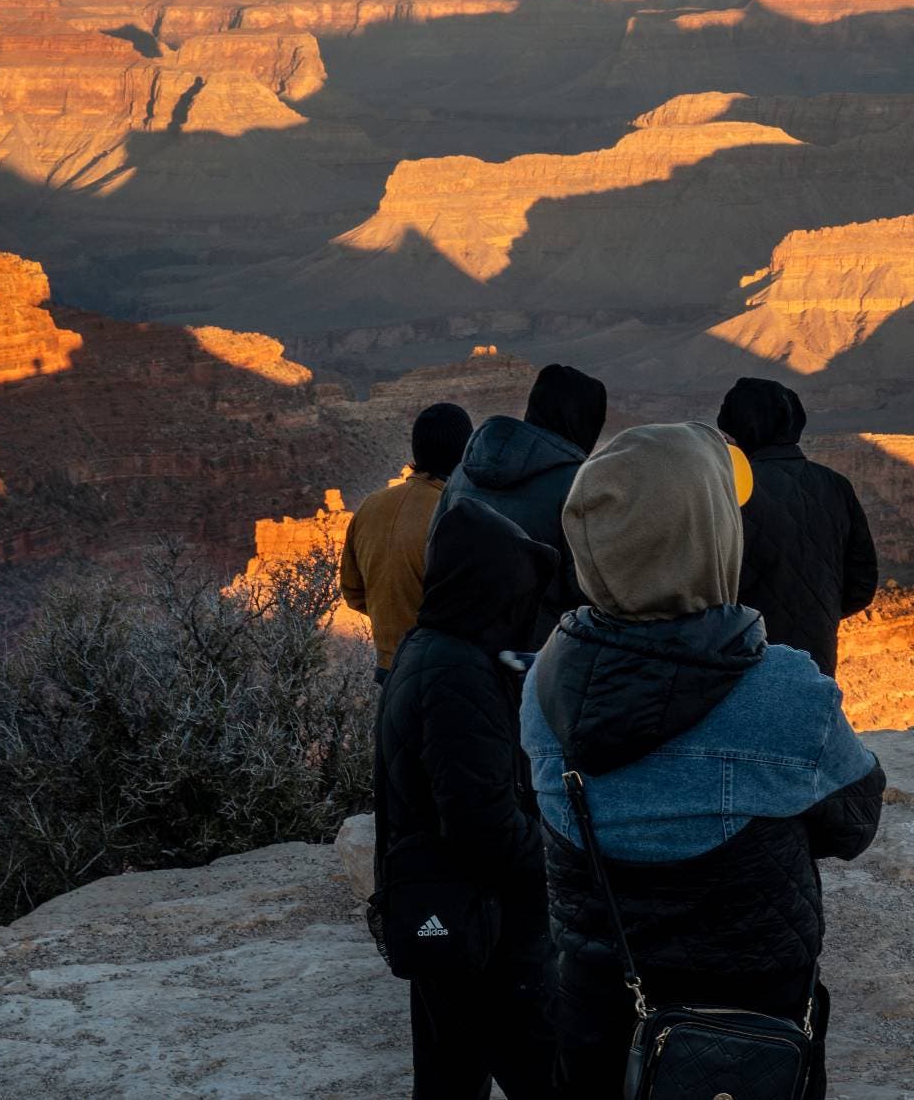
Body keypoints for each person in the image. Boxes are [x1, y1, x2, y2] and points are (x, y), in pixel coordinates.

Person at [519, 422, 885, 1100]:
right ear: (711, 533)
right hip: (748, 1019)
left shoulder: (541, 688)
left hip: (601, 1010)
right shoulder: (783, 688)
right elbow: (855, 824)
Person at [374, 498, 560, 1100]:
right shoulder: (458, 673)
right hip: (483, 928)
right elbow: (483, 826)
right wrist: (556, 858)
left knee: (448, 1074)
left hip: (442, 912)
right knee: (543, 1072)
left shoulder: (425, 648)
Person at [715, 377, 879, 676]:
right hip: (815, 661)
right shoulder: (836, 486)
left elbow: (711, 586)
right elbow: (861, 586)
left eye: (727, 434)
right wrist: (816, 612)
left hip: (742, 659)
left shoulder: (730, 489)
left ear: (741, 431)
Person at [436, 364, 606, 650]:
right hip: (536, 650)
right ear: (584, 421)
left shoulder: (463, 471)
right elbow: (583, 586)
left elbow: (433, 552)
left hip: (458, 640)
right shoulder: (577, 483)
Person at [342, 402, 472, 684]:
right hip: (446, 672)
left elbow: (353, 593)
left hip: (389, 670)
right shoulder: (458, 512)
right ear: (464, 453)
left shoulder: (369, 507)